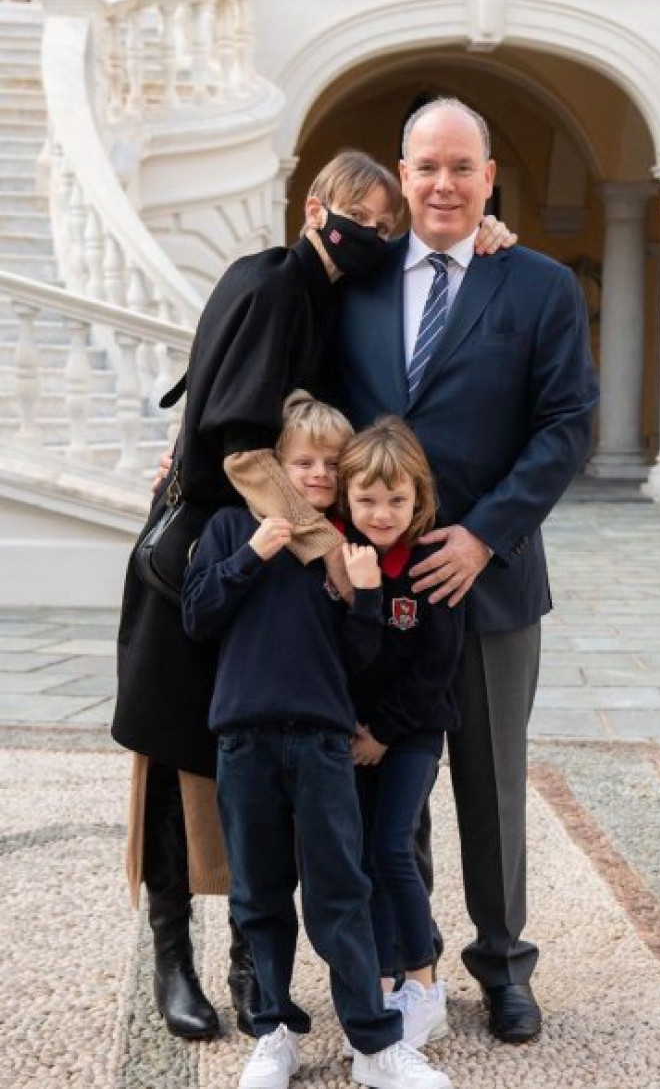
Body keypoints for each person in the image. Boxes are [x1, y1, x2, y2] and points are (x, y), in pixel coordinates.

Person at [111, 150, 406, 1041]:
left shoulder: (306, 287)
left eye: (387, 227)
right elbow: (240, 448)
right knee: (173, 758)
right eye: (362, 216)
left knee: (242, 760)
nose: (375, 236)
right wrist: (321, 548)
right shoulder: (277, 284)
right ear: (316, 208)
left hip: (255, 545)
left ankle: (252, 963)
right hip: (208, 552)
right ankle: (173, 958)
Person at [333, 97, 600, 1044]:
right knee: (387, 779)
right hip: (374, 590)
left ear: (491, 178)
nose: (443, 184)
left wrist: (484, 534)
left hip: (490, 583)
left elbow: (567, 423)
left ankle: (503, 965)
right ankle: (412, 966)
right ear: (401, 178)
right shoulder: (352, 284)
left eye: (461, 168)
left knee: (491, 786)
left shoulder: (535, 285)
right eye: (426, 167)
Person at [182, 393, 453, 1089]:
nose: (316, 474)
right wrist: (249, 555)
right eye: (302, 461)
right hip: (243, 736)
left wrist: (363, 597)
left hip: (324, 741)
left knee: (340, 893)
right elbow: (197, 616)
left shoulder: (344, 551)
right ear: (278, 462)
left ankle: (374, 1044)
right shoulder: (227, 527)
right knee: (259, 895)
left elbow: (358, 661)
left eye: (331, 464)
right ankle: (273, 1032)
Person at [337, 418, 464, 1049]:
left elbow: (436, 666)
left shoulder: (428, 564)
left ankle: (424, 980)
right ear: (345, 496)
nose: (381, 513)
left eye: (396, 500)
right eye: (366, 499)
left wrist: (384, 731)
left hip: (411, 732)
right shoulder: (342, 559)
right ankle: (383, 983)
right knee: (361, 857)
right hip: (354, 734)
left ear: (420, 500)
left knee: (394, 847)